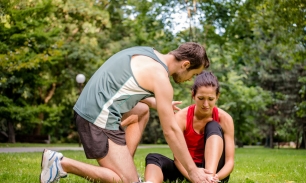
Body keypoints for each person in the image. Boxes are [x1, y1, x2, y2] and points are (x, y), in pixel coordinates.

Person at [40, 42, 212, 183]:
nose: (190, 79)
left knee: (142, 110)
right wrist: (193, 171)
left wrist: (151, 101)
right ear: (186, 64)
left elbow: (118, 84)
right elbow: (171, 131)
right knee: (127, 182)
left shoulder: (146, 53)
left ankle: (122, 166)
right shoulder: (160, 77)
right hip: (96, 117)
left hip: (89, 107)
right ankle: (60, 163)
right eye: (193, 74)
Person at [144, 71, 235, 183]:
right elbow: (178, 159)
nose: (206, 104)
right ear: (193, 95)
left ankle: (208, 179)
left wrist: (214, 178)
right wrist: (194, 178)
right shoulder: (181, 118)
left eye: (210, 99)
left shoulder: (225, 119)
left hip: (215, 172)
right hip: (188, 169)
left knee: (213, 125)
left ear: (217, 96)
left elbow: (230, 161)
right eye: (201, 98)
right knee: (153, 158)